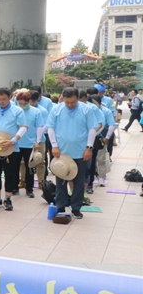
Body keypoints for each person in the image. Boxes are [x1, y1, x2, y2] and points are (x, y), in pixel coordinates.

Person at [47, 87, 98, 219]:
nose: (70, 105)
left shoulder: (86, 110)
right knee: (61, 181)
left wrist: (89, 147)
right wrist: (54, 146)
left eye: (73, 102)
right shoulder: (56, 109)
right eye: (67, 102)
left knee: (79, 182)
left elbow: (92, 129)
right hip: (62, 153)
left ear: (78, 98)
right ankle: (61, 206)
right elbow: (50, 128)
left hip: (80, 152)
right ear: (62, 98)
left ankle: (76, 208)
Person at [0, 88, 27, 211]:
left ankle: (8, 198)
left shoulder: (17, 111)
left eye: (4, 99)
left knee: (10, 173)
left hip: (11, 147)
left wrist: (13, 140)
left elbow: (23, 127)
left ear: (10, 97)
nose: (1, 102)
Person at [15, 90, 44, 198]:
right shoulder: (15, 110)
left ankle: (29, 189)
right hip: (16, 143)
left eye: (25, 103)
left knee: (30, 168)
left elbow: (39, 127)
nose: (22, 105)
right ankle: (14, 187)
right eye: (20, 103)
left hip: (30, 144)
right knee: (14, 167)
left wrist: (38, 141)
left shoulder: (36, 112)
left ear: (29, 101)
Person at [92, 94, 116, 187]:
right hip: (88, 138)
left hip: (101, 138)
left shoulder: (106, 111)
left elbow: (111, 124)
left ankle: (101, 177)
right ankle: (93, 175)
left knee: (100, 158)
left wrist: (107, 137)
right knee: (90, 160)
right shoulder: (88, 110)